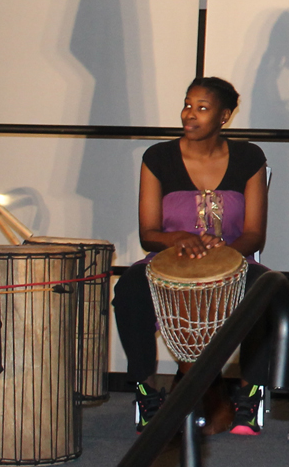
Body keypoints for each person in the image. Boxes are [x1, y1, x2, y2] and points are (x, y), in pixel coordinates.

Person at [112, 77, 270, 436]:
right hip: (169, 260)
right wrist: (179, 238)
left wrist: (224, 254)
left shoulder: (249, 157)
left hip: (231, 260)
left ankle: (249, 392)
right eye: (187, 105)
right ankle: (144, 390)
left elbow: (254, 234)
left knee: (267, 290)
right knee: (130, 291)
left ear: (224, 116)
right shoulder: (158, 157)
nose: (189, 114)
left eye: (202, 108)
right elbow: (148, 233)